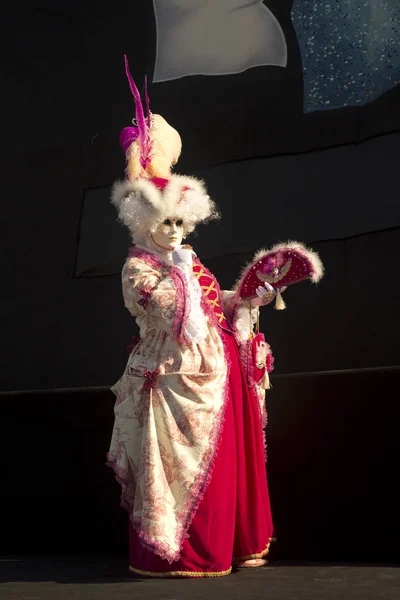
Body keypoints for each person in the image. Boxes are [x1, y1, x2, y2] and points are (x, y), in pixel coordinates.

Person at [107, 57, 283, 578]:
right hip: (175, 375)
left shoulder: (185, 257)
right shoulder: (139, 266)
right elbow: (172, 314)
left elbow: (210, 305)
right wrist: (180, 272)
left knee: (226, 463)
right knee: (179, 468)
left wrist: (247, 296)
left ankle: (232, 541)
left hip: (218, 371)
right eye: (166, 222)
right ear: (144, 220)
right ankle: (180, 550)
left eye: (182, 222)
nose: (176, 232)